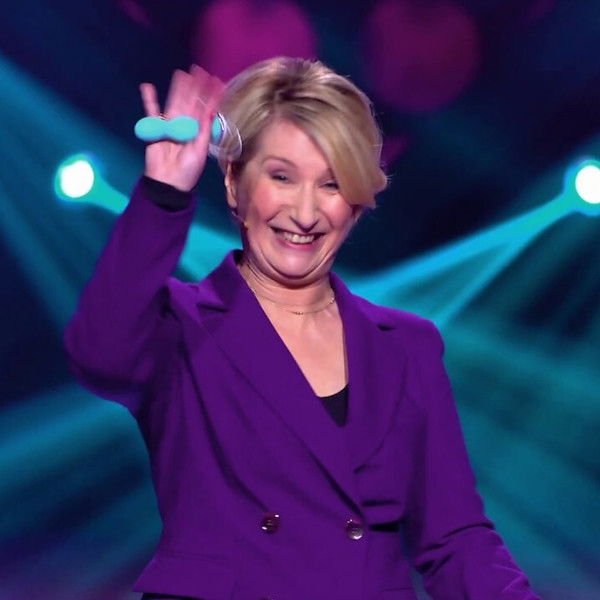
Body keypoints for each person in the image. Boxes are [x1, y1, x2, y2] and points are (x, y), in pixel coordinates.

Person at [64, 57, 541, 600]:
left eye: (332, 184)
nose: (306, 212)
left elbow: (454, 537)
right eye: (282, 177)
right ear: (235, 183)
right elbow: (98, 355)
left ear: (356, 203)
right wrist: (163, 197)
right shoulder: (179, 325)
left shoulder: (408, 345)